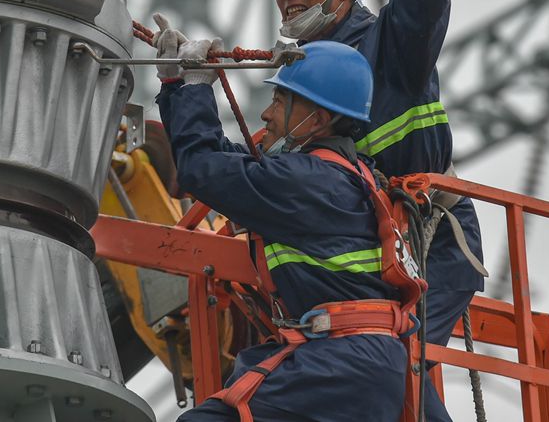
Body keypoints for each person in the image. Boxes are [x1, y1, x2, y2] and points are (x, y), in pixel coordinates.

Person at [263, 0, 486, 421]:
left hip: (431, 244)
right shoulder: (300, 77)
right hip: (364, 254)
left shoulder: (389, 47)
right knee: (342, 367)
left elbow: (423, 7)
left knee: (386, 359)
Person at [153, 31, 423, 422]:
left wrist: (193, 86)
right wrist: (176, 88)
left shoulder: (308, 182)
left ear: (319, 119)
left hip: (341, 362)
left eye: (280, 101)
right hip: (354, 361)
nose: (266, 114)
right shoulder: (340, 177)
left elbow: (206, 171)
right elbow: (225, 168)